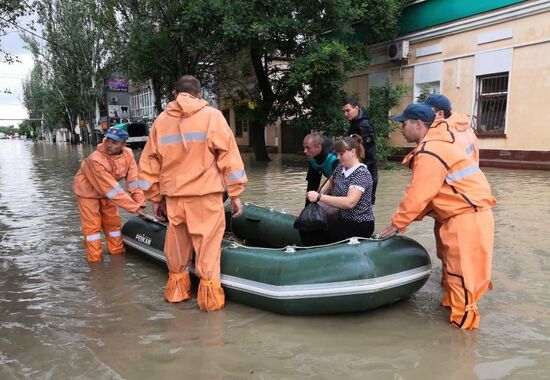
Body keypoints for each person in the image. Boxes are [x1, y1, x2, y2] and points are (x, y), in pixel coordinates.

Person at [381, 103, 496, 330]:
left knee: (461, 278)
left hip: (465, 219)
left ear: (418, 124)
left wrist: (397, 223)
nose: (400, 129)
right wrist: (403, 222)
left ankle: (462, 339)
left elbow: (419, 194)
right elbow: (430, 195)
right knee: (453, 275)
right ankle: (453, 321)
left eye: (403, 124)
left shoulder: (431, 150)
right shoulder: (438, 145)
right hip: (463, 216)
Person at [138, 75, 247, 312]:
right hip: (205, 196)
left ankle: (176, 293)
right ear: (200, 94)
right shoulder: (212, 117)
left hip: (174, 197)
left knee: (177, 245)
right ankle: (209, 303)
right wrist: (236, 194)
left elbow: (148, 164)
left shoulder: (160, 121)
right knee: (207, 248)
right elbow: (229, 158)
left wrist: (154, 198)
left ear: (175, 95)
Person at [424, 93, 481, 308]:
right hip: (466, 200)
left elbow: (437, 172)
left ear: (439, 113)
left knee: (453, 257)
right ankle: (450, 295)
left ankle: (458, 310)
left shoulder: (446, 135)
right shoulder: (467, 131)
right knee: (457, 258)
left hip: (454, 203)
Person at [73, 125, 146, 263]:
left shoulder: (128, 154)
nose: (109, 145)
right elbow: (111, 189)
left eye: (114, 142)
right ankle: (95, 262)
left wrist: (141, 203)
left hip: (109, 193)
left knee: (113, 225)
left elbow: (134, 182)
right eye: (108, 140)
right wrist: (134, 208)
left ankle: (117, 256)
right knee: (92, 229)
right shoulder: (95, 159)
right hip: (88, 193)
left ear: (123, 144)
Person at [299, 134, 375, 246]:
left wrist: (320, 197)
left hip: (359, 224)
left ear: (353, 152)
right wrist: (321, 191)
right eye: (338, 154)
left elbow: (350, 202)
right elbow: (331, 180)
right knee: (306, 227)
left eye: (341, 154)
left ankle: (318, 256)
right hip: (343, 219)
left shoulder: (361, 173)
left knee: (314, 232)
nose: (338, 157)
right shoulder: (341, 168)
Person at [342, 95, 378, 204]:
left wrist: (362, 175)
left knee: (363, 208)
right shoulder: (354, 123)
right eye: (344, 111)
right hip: (357, 172)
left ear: (356, 109)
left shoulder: (364, 125)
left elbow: (370, 156)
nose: (345, 114)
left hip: (366, 174)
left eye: (348, 110)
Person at [424, 93, 479, 164]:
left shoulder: (443, 134)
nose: (424, 114)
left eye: (427, 111)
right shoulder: (468, 131)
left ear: (440, 114)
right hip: (472, 174)